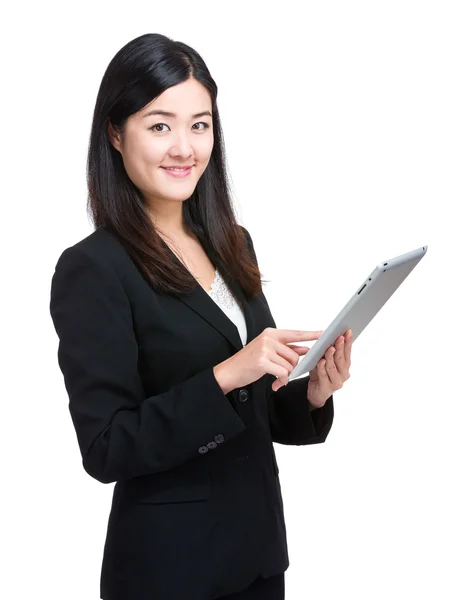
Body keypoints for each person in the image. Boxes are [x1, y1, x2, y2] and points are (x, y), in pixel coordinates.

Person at [49, 33, 352, 600]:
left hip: (259, 559)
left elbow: (252, 407)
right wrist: (227, 373)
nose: (185, 147)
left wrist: (311, 393)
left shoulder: (232, 242)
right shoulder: (93, 269)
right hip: (169, 571)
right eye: (160, 125)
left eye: (200, 124)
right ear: (115, 133)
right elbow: (107, 446)